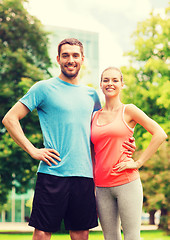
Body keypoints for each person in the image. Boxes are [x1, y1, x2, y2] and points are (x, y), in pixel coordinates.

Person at [2, 39, 134, 240]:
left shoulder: (91, 95)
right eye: (65, 55)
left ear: (82, 59)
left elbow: (102, 132)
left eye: (75, 55)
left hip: (85, 176)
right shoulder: (43, 88)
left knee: (81, 233)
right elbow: (10, 118)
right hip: (52, 173)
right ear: (58, 59)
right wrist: (33, 150)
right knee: (42, 233)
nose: (70, 60)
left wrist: (126, 143)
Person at [91, 66, 167, 240]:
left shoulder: (129, 110)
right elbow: (93, 151)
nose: (110, 83)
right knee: (110, 237)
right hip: (102, 187)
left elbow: (159, 134)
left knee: (132, 236)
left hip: (126, 182)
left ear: (122, 84)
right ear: (101, 85)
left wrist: (138, 162)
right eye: (106, 80)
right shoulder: (94, 117)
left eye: (115, 80)